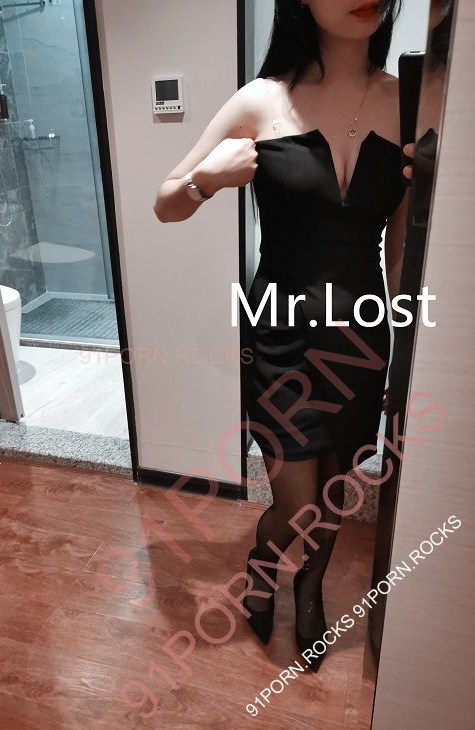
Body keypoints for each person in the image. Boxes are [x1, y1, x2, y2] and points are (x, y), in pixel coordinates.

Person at [153, 0, 409, 673]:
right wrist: (207, 181)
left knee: (335, 490)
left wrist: (410, 352)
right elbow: (164, 203)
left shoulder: (411, 101)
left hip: (362, 336)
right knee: (297, 504)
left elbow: (402, 247)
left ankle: (310, 587)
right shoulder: (260, 100)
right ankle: (264, 563)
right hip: (281, 334)